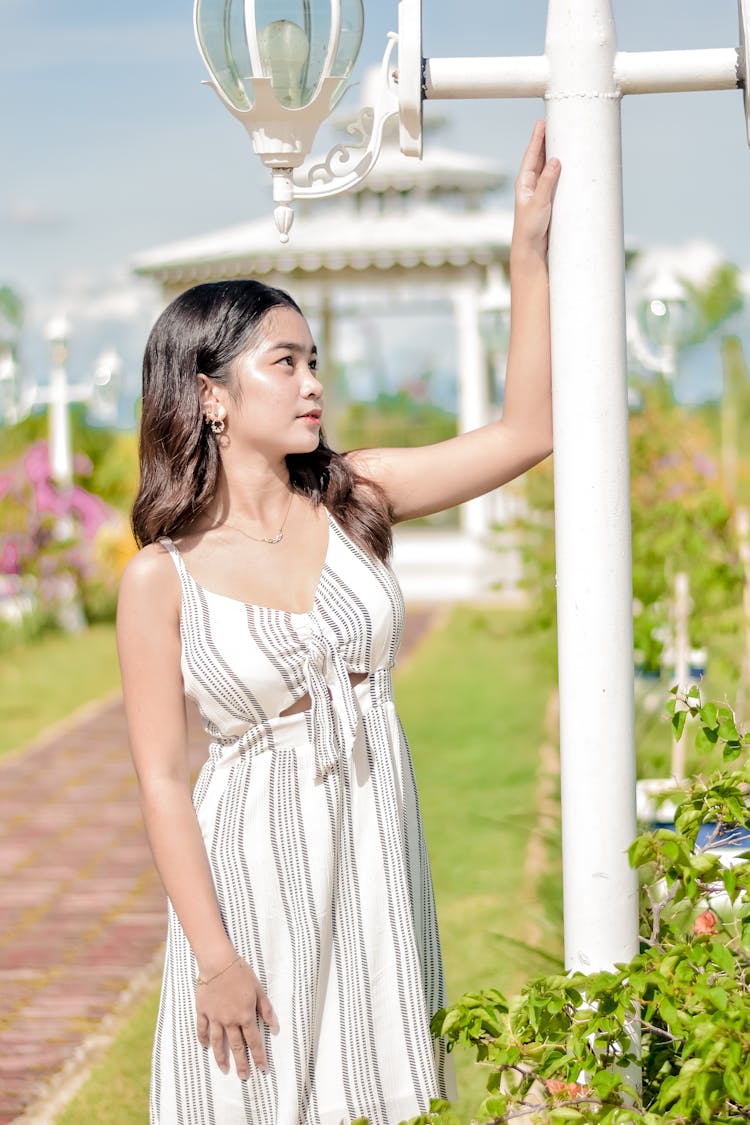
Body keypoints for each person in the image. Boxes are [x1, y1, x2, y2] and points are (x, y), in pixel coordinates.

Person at [116, 121, 560, 1125]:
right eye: (284, 363)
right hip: (251, 878)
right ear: (210, 394)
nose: (314, 382)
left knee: (381, 1085)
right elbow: (159, 777)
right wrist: (215, 957)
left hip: (372, 846)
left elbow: (528, 432)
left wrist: (524, 254)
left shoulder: (356, 495)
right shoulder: (160, 578)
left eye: (313, 358)